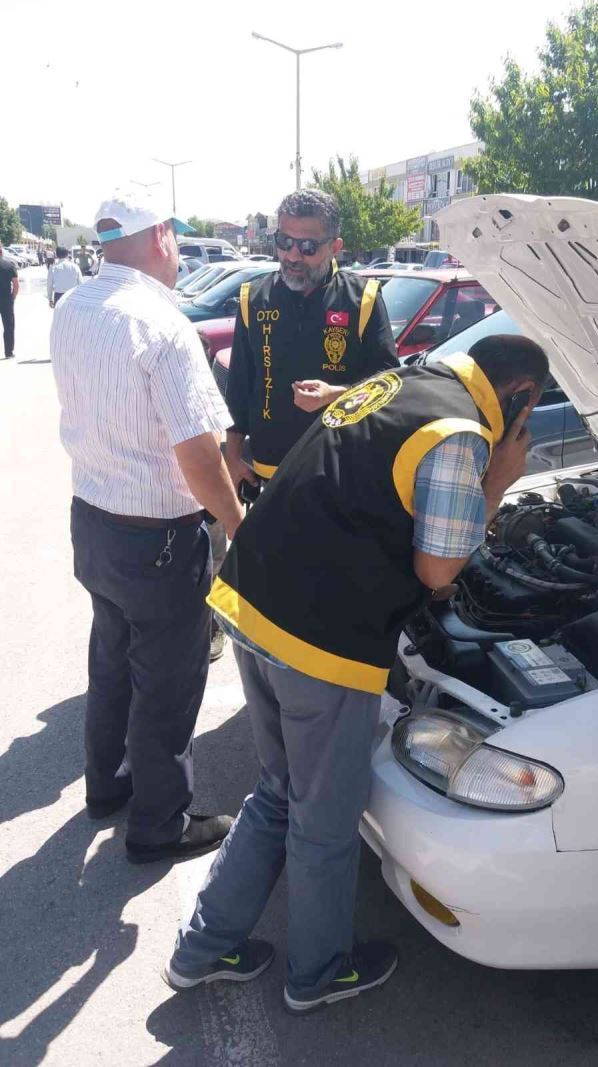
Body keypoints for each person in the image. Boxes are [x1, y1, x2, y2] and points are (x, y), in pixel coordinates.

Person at [165, 334, 549, 1010]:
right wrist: (501, 480)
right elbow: (439, 570)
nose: (524, 428)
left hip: (252, 600)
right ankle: (316, 973)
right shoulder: (460, 431)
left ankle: (203, 947)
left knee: (280, 789)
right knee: (325, 818)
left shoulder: (404, 383)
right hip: (321, 640)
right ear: (517, 398)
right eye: (531, 413)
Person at [50, 188, 245, 864]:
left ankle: (107, 784)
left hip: (93, 523)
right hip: (157, 538)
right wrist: (235, 522)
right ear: (161, 236)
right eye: (178, 239)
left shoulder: (73, 305)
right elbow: (197, 454)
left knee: (111, 659)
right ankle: (160, 823)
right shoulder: (161, 325)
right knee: (167, 680)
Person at [213, 188, 399, 661]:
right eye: (285, 242)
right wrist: (232, 455)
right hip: (269, 476)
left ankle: (321, 678)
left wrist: (338, 396)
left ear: (336, 246)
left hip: (335, 477)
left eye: (308, 246)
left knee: (326, 587)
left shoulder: (363, 299)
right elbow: (241, 384)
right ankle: (275, 675)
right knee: (274, 585)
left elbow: (391, 386)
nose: (293, 256)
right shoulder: (254, 296)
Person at [0, 243, 19, 359]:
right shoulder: (9, 264)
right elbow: (16, 284)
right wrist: (13, 297)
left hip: (6, 299)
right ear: (1, 252)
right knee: (9, 326)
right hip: (6, 299)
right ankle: (8, 352)